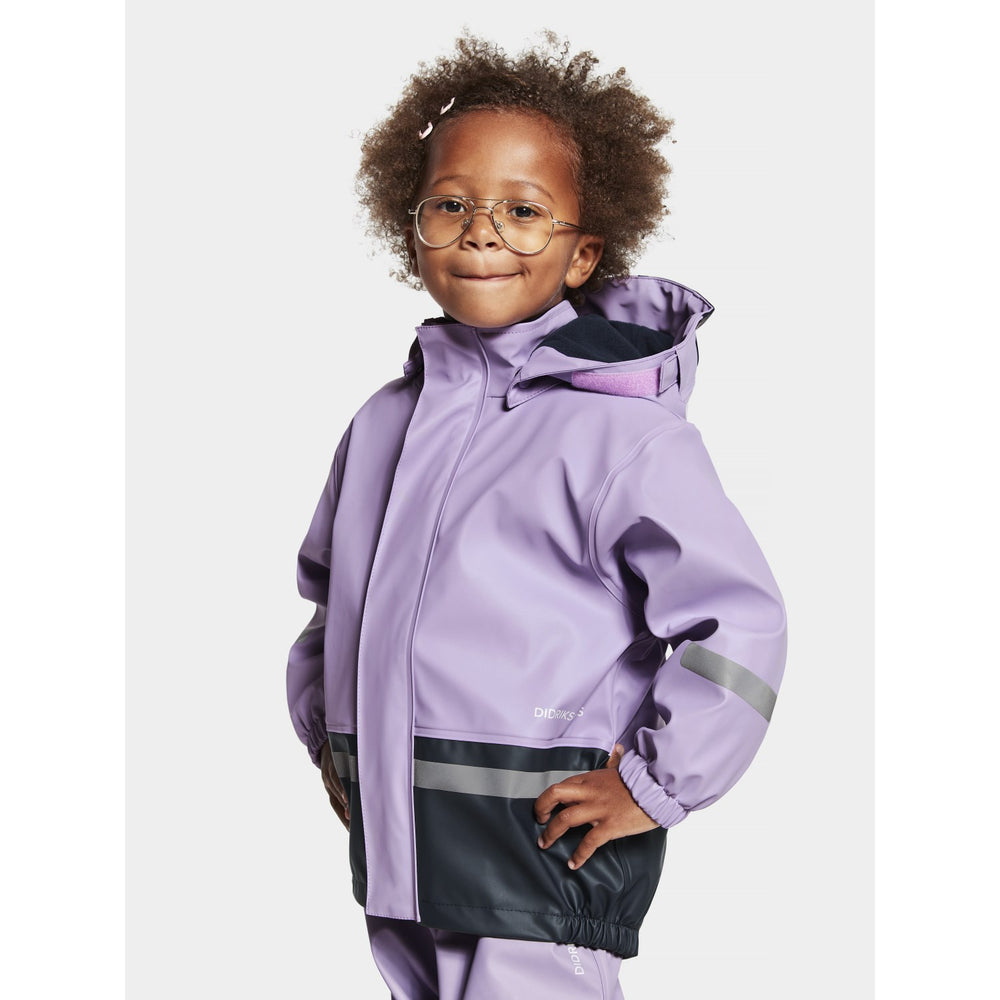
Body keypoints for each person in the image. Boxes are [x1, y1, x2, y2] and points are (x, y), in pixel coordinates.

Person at [286, 32, 787, 1000]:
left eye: (523, 212)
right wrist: (331, 735)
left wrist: (655, 783)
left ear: (582, 252)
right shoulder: (383, 423)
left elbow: (737, 623)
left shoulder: (623, 437)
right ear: (410, 227)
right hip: (401, 841)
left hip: (544, 845)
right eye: (450, 204)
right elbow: (329, 601)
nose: (482, 233)